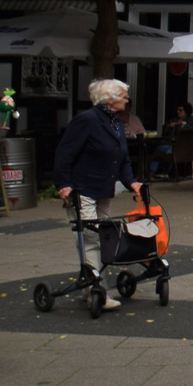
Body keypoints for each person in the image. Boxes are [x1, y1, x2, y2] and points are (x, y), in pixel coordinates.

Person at [54, 78, 144, 309]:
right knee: (90, 239)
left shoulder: (114, 121)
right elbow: (64, 154)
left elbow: (121, 156)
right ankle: (97, 291)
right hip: (82, 189)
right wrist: (63, 184)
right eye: (123, 96)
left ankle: (90, 286)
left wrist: (131, 182)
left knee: (104, 238)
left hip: (104, 189)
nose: (126, 99)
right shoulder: (87, 120)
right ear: (110, 98)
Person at [151, 103, 193, 174]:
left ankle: (164, 172)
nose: (178, 112)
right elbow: (165, 132)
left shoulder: (191, 120)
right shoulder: (174, 120)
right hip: (170, 143)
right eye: (177, 110)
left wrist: (183, 124)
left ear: (186, 111)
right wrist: (168, 126)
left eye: (180, 110)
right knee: (158, 149)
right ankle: (152, 171)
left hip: (183, 146)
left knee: (168, 151)